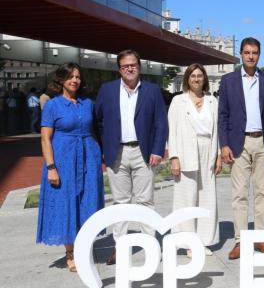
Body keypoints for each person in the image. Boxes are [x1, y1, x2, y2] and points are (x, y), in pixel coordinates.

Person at [94, 49, 168, 265]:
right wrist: (104, 149)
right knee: (120, 202)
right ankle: (120, 246)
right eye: (125, 65)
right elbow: (98, 121)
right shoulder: (107, 90)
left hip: (143, 153)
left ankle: (151, 245)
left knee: (146, 201)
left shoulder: (152, 91)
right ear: (119, 69)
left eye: (133, 64)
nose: (129, 68)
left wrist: (157, 150)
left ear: (139, 66)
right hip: (116, 152)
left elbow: (160, 123)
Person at [36, 63, 104, 272]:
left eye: (77, 77)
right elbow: (45, 139)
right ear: (61, 80)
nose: (75, 80)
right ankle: (71, 252)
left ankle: (85, 246)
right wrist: (51, 167)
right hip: (63, 158)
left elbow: (97, 129)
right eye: (70, 77)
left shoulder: (87, 103)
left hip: (88, 157)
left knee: (88, 201)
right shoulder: (53, 105)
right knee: (66, 203)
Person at [217, 37, 264, 260]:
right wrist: (224, 144)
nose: (250, 56)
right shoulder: (228, 80)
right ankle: (241, 240)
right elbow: (222, 115)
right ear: (241, 54)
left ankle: (260, 238)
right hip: (237, 143)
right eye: (246, 52)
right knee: (239, 194)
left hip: (263, 142)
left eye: (254, 52)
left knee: (263, 192)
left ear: (259, 54)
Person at [168, 63, 222, 257]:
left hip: (208, 150)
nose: (197, 79)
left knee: (207, 198)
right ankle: (187, 241)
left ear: (204, 79)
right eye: (193, 76)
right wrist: (174, 157)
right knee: (186, 198)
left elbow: (216, 131)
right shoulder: (178, 101)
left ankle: (203, 241)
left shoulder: (212, 101)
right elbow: (172, 131)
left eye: (200, 76)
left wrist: (217, 157)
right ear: (187, 79)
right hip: (185, 151)